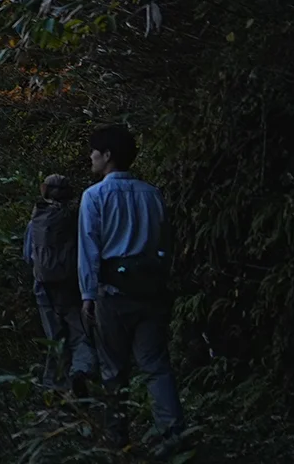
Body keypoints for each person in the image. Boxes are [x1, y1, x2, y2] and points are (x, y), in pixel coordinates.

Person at [79, 123, 185, 449]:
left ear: (107, 155)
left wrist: (87, 295)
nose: (91, 157)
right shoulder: (152, 194)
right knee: (156, 367)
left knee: (113, 370)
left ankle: (117, 440)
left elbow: (89, 250)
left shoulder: (94, 196)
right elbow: (165, 243)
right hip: (151, 292)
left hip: (112, 294)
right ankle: (175, 437)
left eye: (94, 152)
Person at [23, 173, 95, 391]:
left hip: (44, 288)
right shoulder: (74, 218)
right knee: (80, 334)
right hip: (72, 287)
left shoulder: (36, 220)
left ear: (44, 190)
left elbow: (28, 256)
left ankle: (54, 387)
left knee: (55, 338)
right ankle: (80, 371)